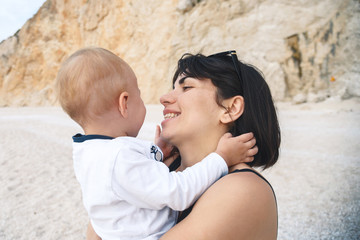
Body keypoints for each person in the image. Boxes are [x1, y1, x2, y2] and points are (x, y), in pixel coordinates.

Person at [56, 47, 258, 240]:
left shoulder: (243, 188)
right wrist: (220, 158)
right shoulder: (126, 159)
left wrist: (157, 153)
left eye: (186, 87)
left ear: (231, 108)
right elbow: (175, 191)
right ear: (124, 104)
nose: (163, 98)